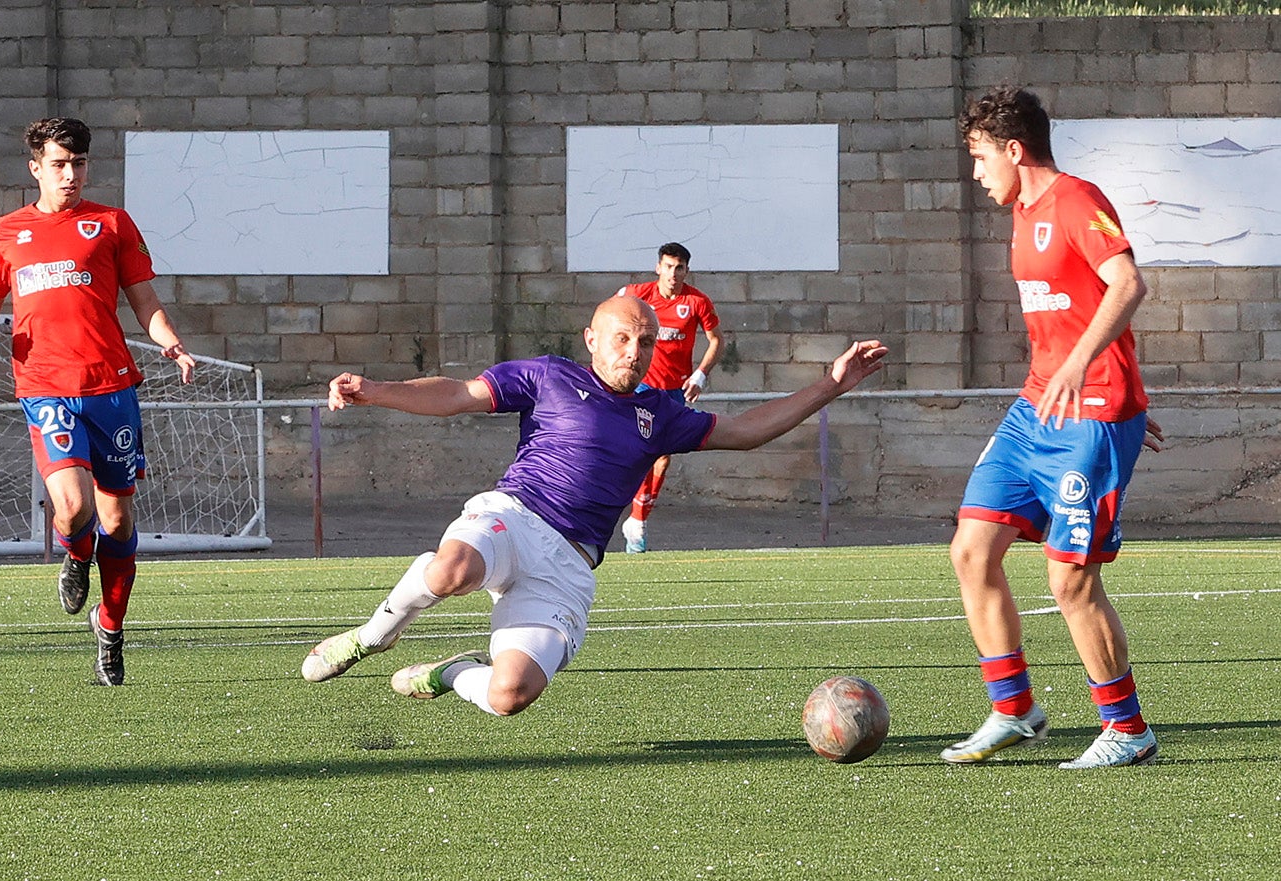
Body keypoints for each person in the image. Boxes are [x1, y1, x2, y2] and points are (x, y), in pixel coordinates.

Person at [301, 296, 886, 717]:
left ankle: (450, 672)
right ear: (592, 339)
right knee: (452, 571)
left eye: (646, 342)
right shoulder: (546, 376)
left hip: (569, 564)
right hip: (515, 515)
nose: (635, 352)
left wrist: (830, 385)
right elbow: (457, 394)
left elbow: (745, 431)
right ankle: (372, 637)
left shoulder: (660, 413)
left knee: (509, 696)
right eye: (623, 338)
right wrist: (375, 390)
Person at [943, 87, 1160, 769]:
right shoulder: (1022, 213)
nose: (976, 173)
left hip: (1091, 414)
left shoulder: (1074, 200)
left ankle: (1128, 730)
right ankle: (1014, 711)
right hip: (1036, 409)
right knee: (971, 550)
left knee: (1070, 580)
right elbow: (1071, 310)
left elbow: (1126, 283)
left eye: (980, 157)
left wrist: (1102, 382)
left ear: (1014, 150)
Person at [0, 117, 196, 686]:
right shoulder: (6, 232)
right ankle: (74, 554)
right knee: (70, 507)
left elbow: (144, 299)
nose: (70, 174)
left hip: (111, 387)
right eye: (59, 164)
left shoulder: (111, 223)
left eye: (80, 164)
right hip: (44, 385)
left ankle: (109, 629)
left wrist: (170, 342)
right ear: (36, 168)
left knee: (116, 518)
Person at [615, 242, 724, 553]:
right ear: (658, 268)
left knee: (662, 456)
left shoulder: (696, 301)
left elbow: (717, 340)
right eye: (668, 267)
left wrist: (700, 374)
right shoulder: (639, 294)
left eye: (679, 268)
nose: (673, 274)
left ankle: (637, 519)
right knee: (643, 448)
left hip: (674, 390)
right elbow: (611, 311)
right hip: (641, 386)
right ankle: (632, 518)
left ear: (686, 271)